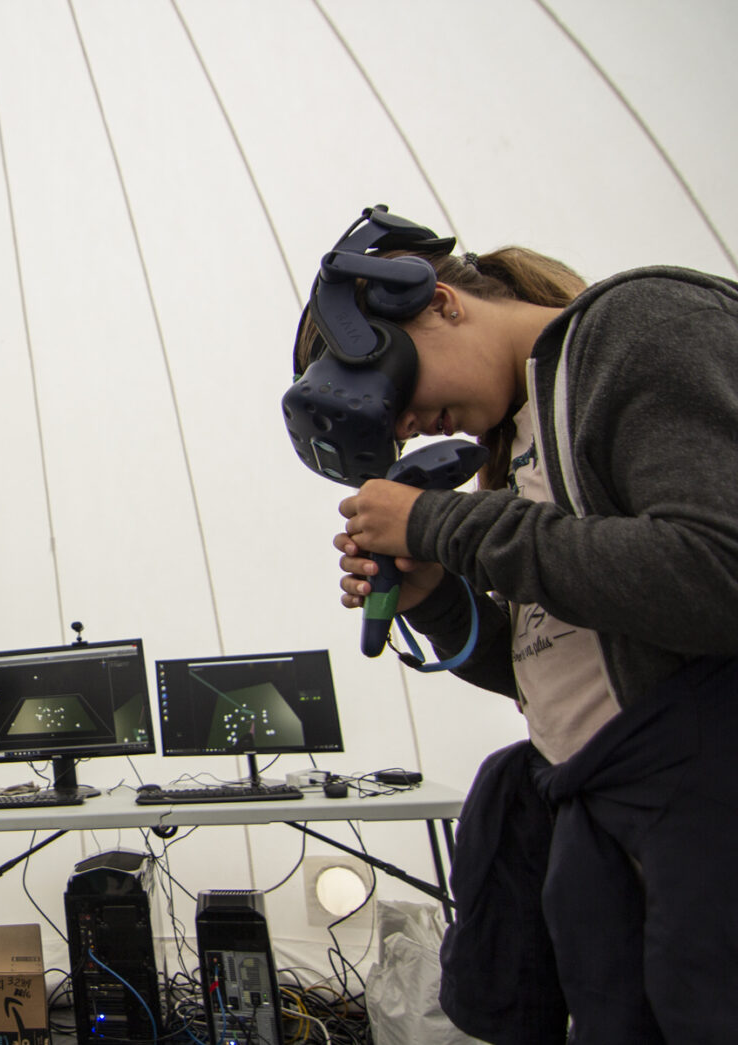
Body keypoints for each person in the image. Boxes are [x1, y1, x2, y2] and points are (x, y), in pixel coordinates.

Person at [300, 236, 738, 1043]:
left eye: (391, 384)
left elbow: (715, 572)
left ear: (436, 300)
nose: (404, 423)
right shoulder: (521, 439)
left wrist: (441, 521)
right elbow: (553, 670)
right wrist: (436, 597)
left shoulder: (637, 326)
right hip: (616, 826)